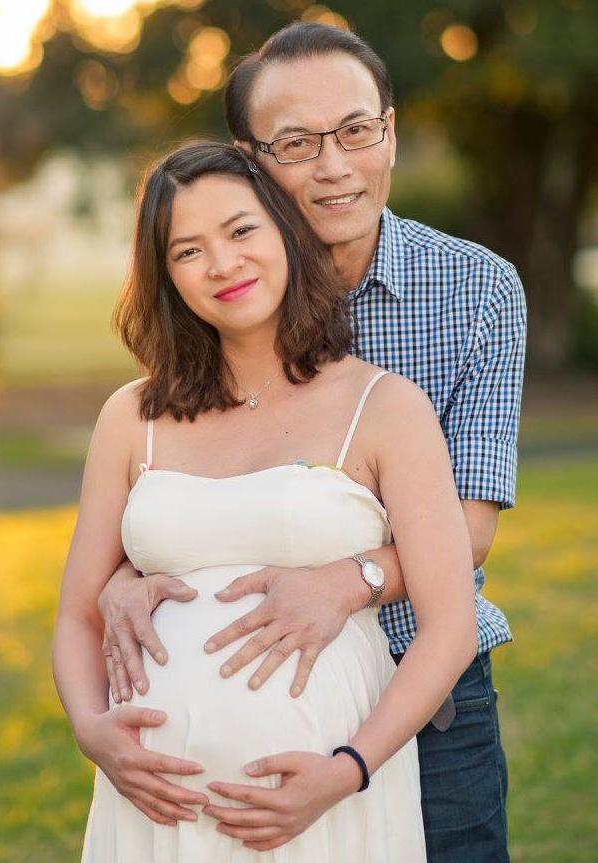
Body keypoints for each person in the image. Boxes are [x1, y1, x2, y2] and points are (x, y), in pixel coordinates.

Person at [81, 23, 526, 863]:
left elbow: (466, 524)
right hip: (199, 746)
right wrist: (117, 580)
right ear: (251, 159)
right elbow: (177, 483)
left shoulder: (479, 289)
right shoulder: (219, 284)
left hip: (422, 692)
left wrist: (345, 582)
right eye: (296, 143)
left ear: (389, 129)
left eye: (356, 130)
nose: (333, 164)